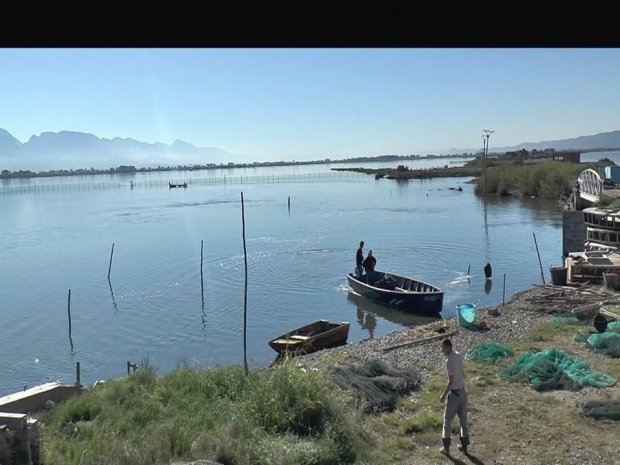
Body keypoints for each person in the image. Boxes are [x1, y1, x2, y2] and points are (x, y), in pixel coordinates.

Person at [439, 338, 469, 456]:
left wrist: (443, 394)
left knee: (447, 421)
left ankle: (446, 448)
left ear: (448, 347)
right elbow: (462, 372)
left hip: (455, 394)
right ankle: (464, 447)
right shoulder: (458, 355)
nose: (442, 350)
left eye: (443, 348)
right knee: (463, 420)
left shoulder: (449, 361)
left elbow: (450, 381)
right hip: (463, 392)